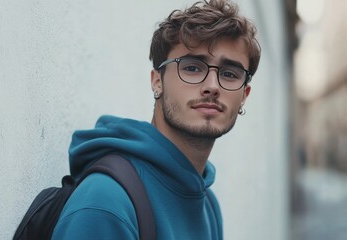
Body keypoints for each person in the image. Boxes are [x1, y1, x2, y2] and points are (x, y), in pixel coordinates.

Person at [52, 0, 261, 239]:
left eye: (229, 74)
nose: (212, 87)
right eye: (192, 68)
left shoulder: (208, 204)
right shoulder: (106, 202)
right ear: (157, 81)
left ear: (244, 96)